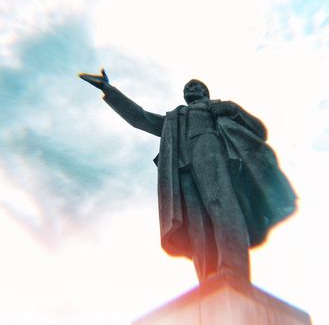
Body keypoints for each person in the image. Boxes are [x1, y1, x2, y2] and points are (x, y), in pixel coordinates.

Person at [79, 69, 297, 282]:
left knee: (220, 203)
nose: (192, 88)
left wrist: (234, 110)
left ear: (206, 92)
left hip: (212, 151)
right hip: (182, 167)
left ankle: (234, 269)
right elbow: (141, 118)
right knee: (196, 223)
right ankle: (208, 277)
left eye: (197, 85)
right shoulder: (175, 119)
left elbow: (260, 131)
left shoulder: (221, 108)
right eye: (188, 87)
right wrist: (109, 89)